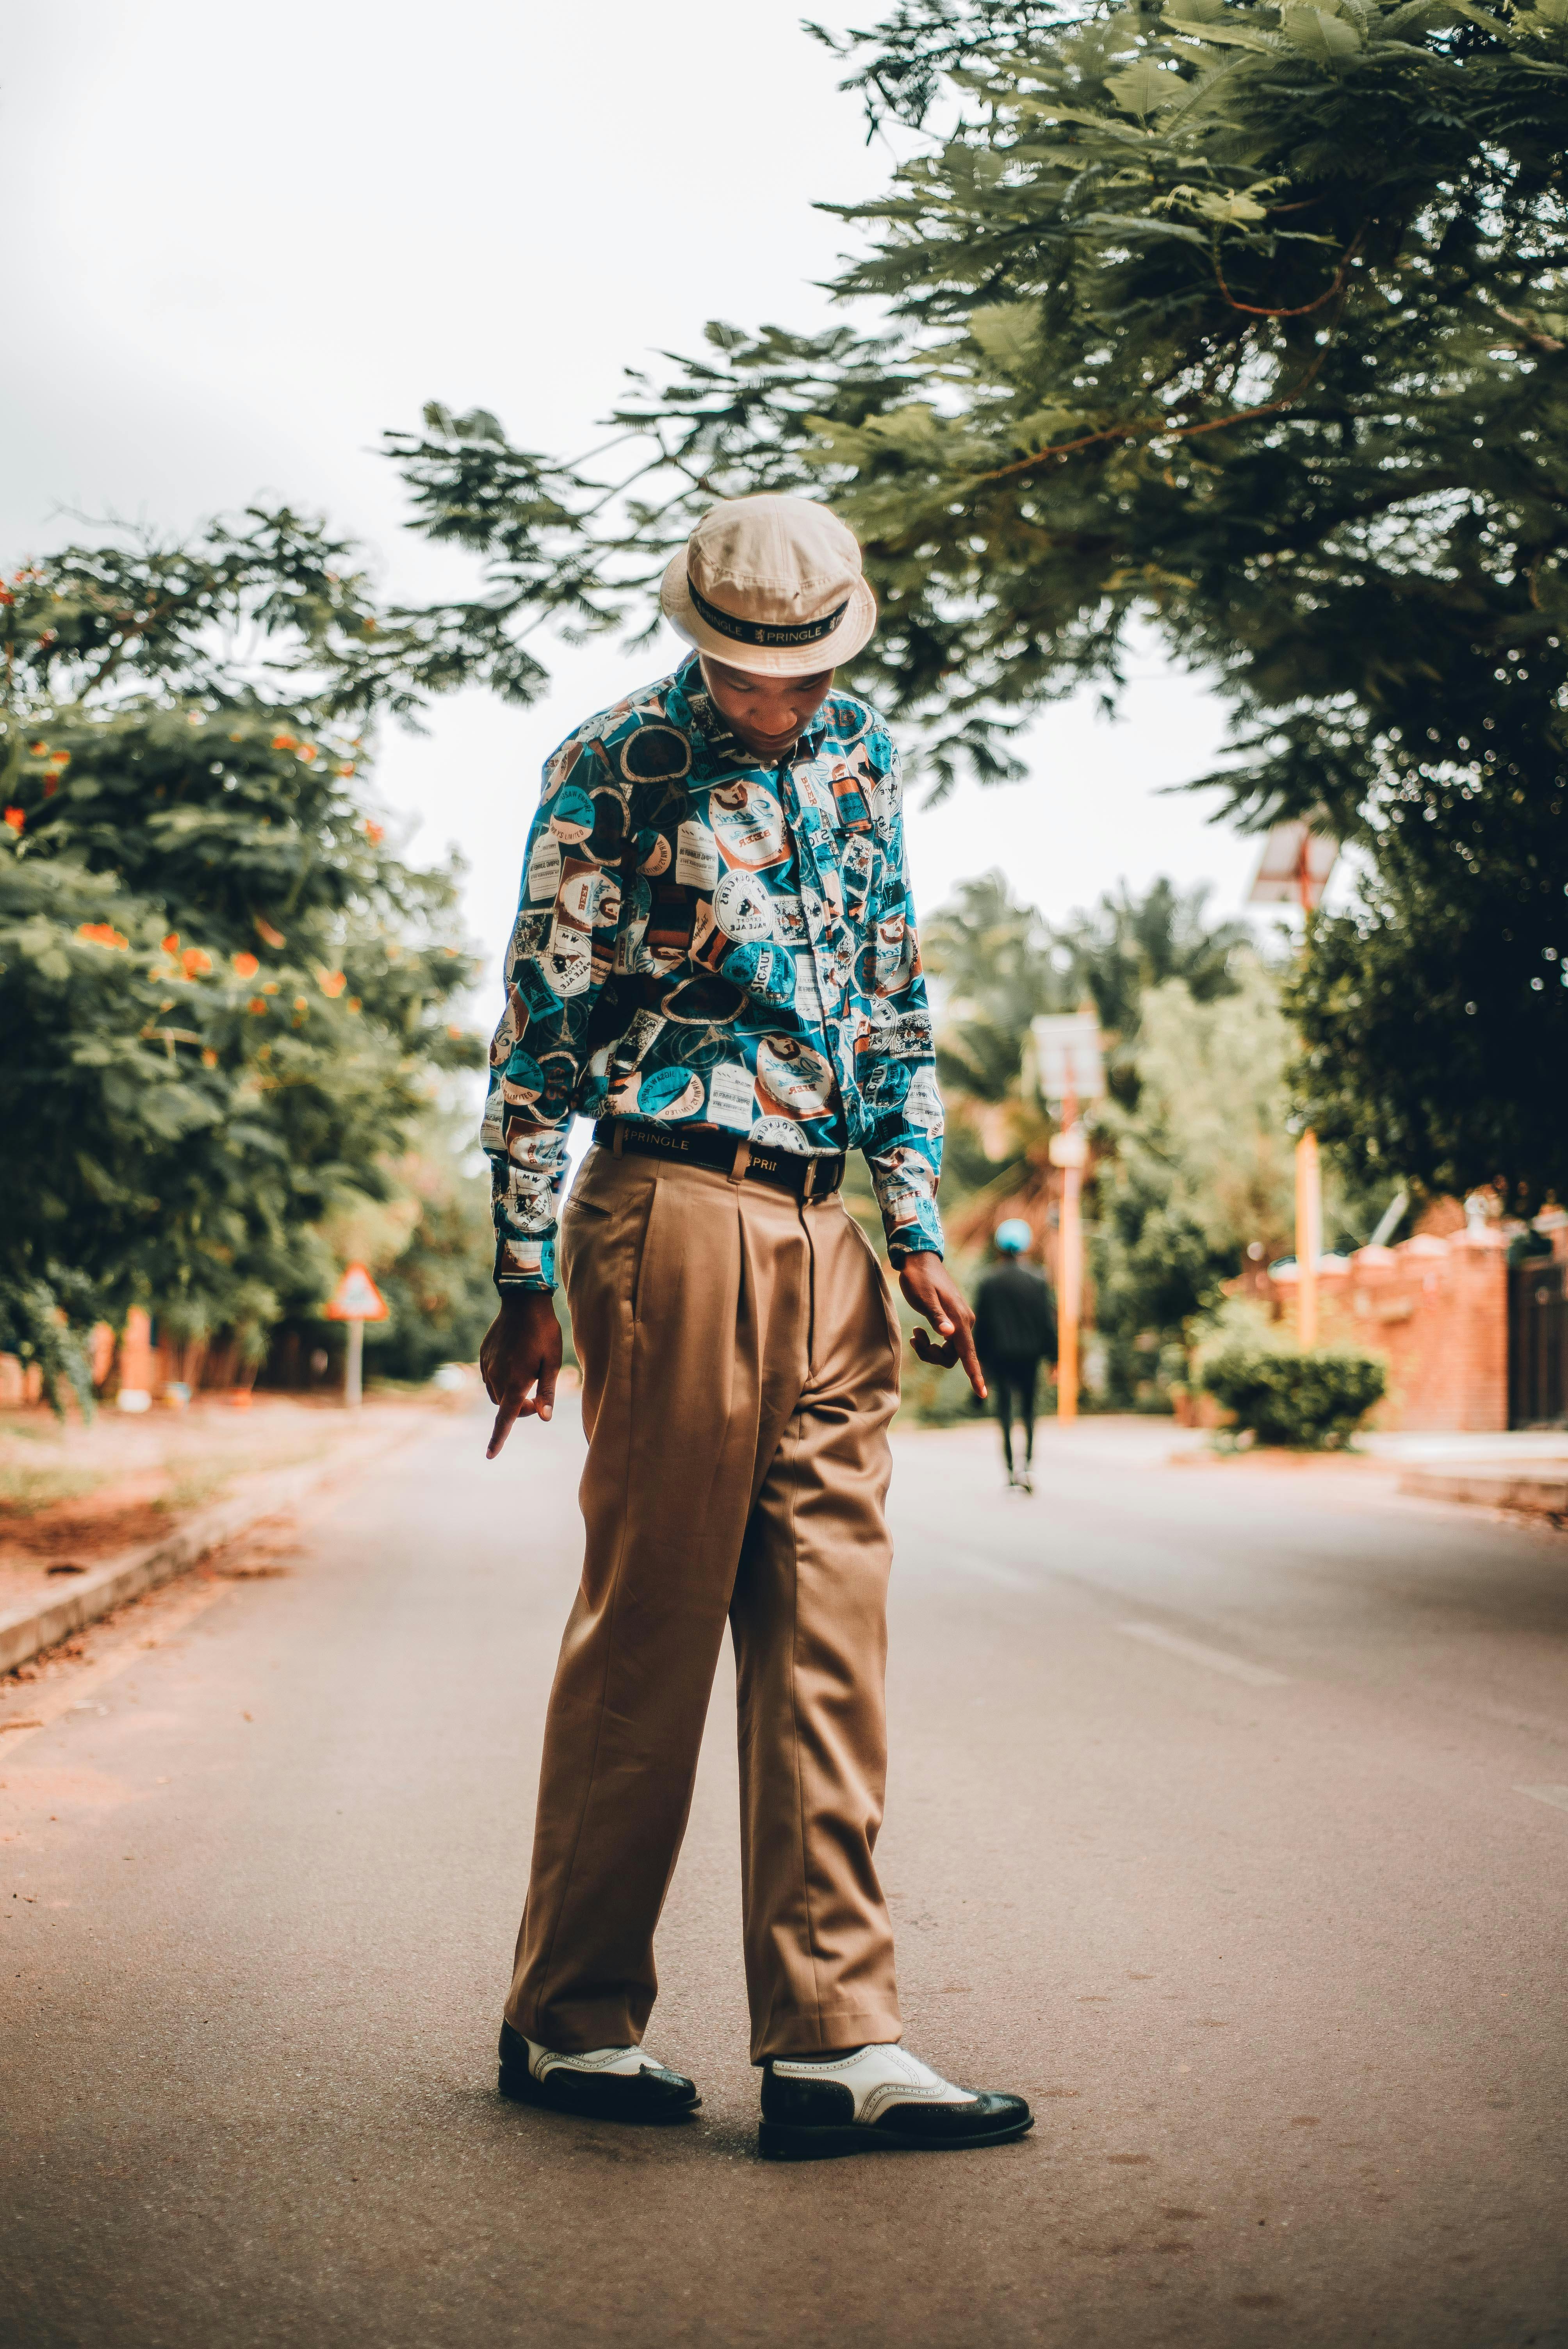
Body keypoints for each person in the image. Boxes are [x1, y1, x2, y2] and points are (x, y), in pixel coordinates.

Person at [479, 494, 1033, 2161]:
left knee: (826, 1633)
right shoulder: (608, 766)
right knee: (650, 1625)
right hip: (666, 1209)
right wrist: (522, 1276)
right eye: (739, 667)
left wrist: (917, 1227)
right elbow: (538, 1034)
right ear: (695, 637)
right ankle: (570, 2018)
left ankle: (830, 2035)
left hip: (827, 1227)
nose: (766, 697)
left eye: (792, 670)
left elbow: (887, 1005)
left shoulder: (861, 760)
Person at [973, 1219, 1058, 1494]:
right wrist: (1055, 1358)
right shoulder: (1038, 1279)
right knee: (1030, 1412)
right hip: (1030, 1358)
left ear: (999, 1246)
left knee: (1006, 1413)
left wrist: (979, 1361)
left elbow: (981, 1325)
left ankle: (1011, 1472)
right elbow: (1048, 1321)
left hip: (1001, 1357)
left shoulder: (989, 1281)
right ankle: (1029, 1466)